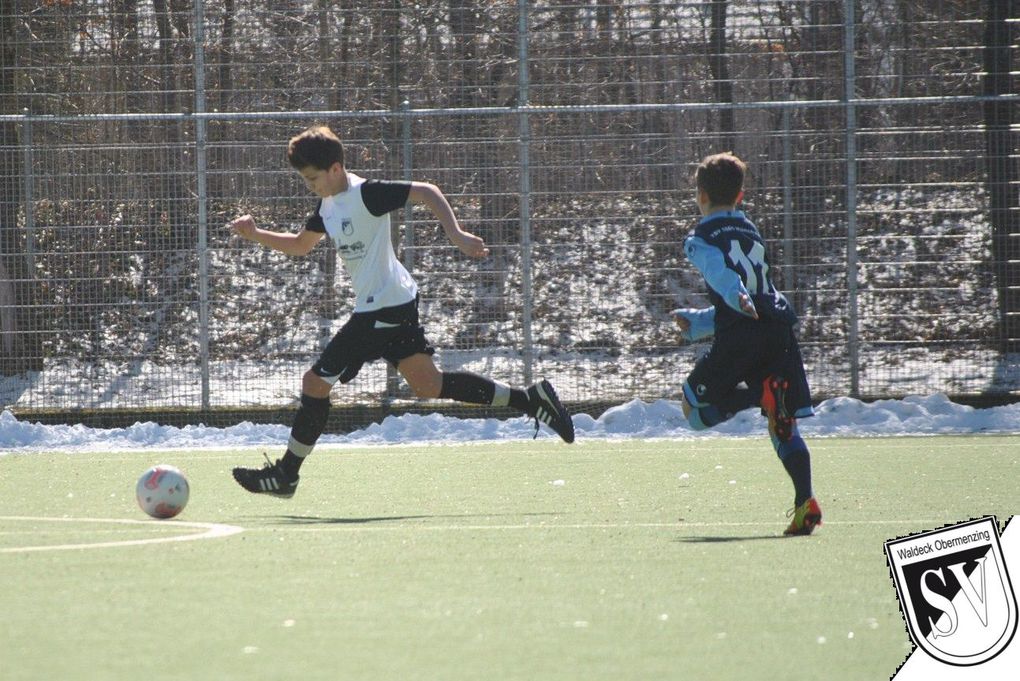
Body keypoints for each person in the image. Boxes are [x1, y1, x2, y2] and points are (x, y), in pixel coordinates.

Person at [229, 125, 574, 498]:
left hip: (383, 307)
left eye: (313, 178)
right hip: (392, 302)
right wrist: (257, 234)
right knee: (428, 384)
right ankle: (531, 400)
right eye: (304, 180)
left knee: (314, 384)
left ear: (334, 168)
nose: (310, 185)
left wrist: (456, 233)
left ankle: (286, 475)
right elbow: (300, 245)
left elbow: (426, 191)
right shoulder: (327, 206)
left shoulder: (367, 194)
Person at [672, 152, 821, 535]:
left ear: (701, 197)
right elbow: (756, 294)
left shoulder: (700, 239)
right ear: (741, 197)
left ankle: (757, 397)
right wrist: (700, 323)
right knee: (782, 425)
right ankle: (805, 501)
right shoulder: (751, 231)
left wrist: (733, 295)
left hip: (743, 333)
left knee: (692, 408)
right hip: (777, 329)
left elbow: (726, 281)